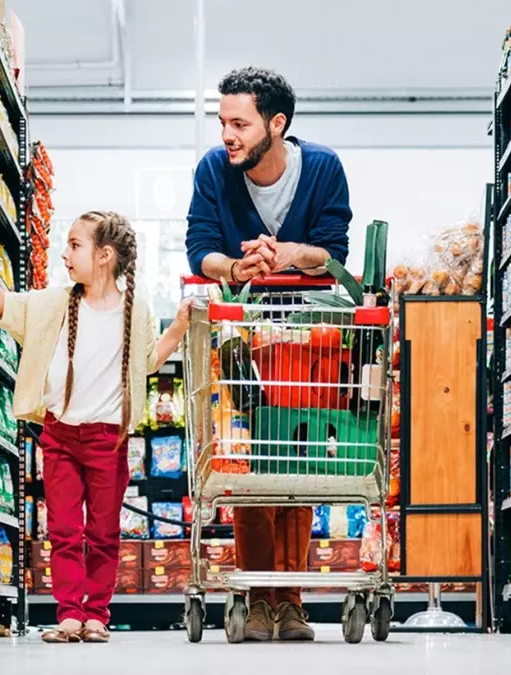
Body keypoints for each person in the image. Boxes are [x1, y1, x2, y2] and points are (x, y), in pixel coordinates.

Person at [0, 211, 190, 644]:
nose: (65, 254)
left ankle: (97, 615)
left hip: (108, 439)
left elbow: (144, 364)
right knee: (63, 528)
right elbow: (5, 305)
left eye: (75, 245)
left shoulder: (134, 311)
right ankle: (69, 614)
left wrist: (177, 328)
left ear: (104, 256)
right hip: (60, 435)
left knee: (103, 531)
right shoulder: (55, 303)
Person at [185, 66, 353, 642]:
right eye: (223, 122)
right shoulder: (213, 170)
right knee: (252, 462)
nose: (227, 135)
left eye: (239, 122)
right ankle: (259, 597)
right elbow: (200, 246)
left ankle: (292, 599)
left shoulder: (325, 169)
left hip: (310, 337)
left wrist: (287, 255)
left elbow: (333, 252)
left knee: (300, 462)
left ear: (275, 124)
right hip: (243, 335)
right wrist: (234, 267)